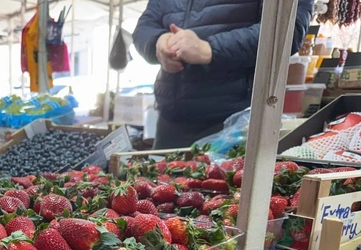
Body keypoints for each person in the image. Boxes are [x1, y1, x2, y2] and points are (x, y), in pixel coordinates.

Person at [133, 0, 314, 149]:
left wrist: (210, 49)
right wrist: (158, 42)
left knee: (228, 190)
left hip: (235, 124)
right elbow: (145, 25)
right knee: (158, 186)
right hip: (171, 120)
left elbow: (288, 29)